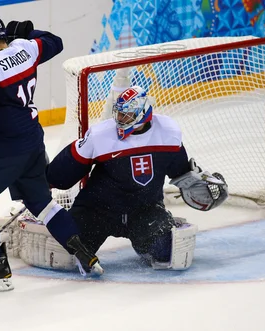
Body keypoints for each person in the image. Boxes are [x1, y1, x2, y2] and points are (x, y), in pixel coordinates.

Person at [0, 16, 103, 293]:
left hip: (5, 147)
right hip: (33, 139)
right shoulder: (26, 48)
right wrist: (27, 32)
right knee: (41, 203)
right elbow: (55, 42)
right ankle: (84, 253)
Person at [41, 84, 229, 272]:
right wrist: (46, 181)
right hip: (98, 210)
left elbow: (179, 171)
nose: (120, 119)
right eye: (119, 114)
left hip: (145, 210)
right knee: (65, 254)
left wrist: (196, 181)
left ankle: (148, 238)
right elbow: (69, 167)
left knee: (167, 252)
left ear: (143, 114)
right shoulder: (100, 135)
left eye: (126, 115)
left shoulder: (168, 132)